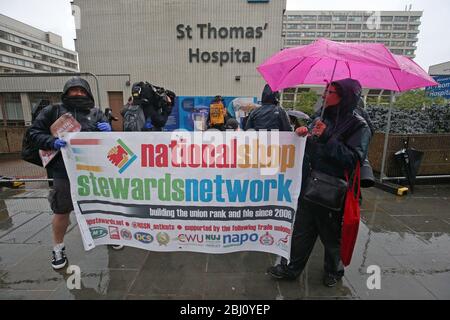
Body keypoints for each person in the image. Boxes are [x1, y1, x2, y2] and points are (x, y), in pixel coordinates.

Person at [267, 78, 371, 287]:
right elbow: (312, 147)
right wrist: (302, 135)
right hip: (309, 186)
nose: (324, 95)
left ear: (344, 98)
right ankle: (291, 268)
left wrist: (327, 137)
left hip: (333, 193)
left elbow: (352, 160)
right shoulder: (320, 117)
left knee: (331, 237)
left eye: (330, 92)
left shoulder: (359, 126)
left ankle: (333, 271)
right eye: (325, 90)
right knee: (302, 231)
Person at [28, 77, 113, 270]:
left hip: (94, 170)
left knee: (103, 206)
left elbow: (111, 143)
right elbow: (34, 133)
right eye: (74, 90)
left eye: (82, 90)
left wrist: (110, 131)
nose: (78, 94)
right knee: (61, 209)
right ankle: (58, 247)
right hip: (62, 170)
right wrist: (51, 142)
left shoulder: (96, 113)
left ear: (88, 93)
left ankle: (111, 235)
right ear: (66, 92)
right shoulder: (53, 111)